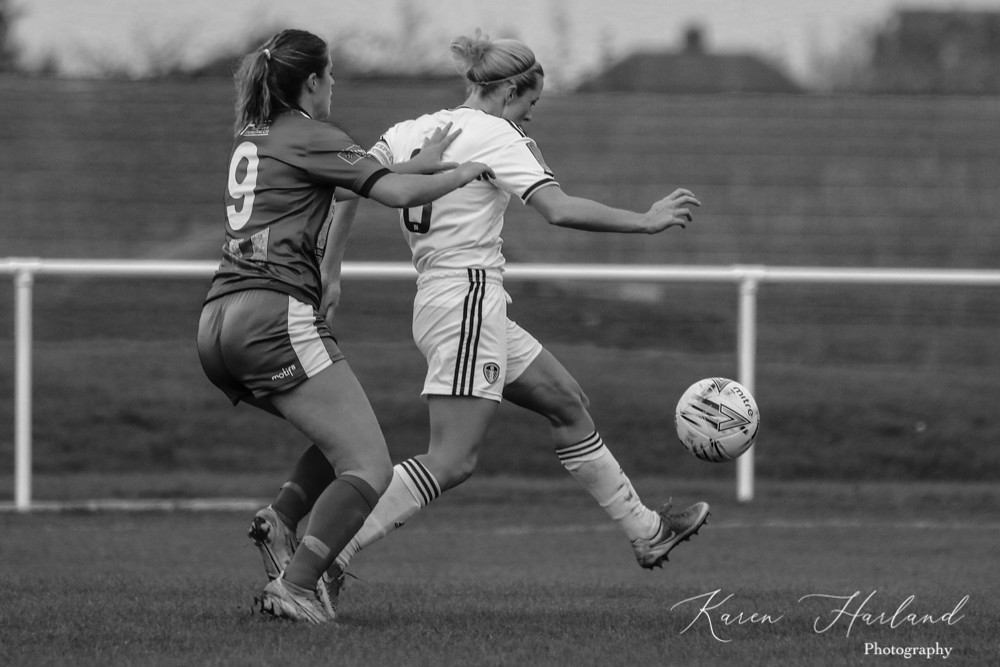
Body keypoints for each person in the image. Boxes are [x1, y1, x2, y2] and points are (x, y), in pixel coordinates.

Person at [257, 29, 709, 614]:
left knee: (566, 401)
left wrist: (332, 272)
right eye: (531, 105)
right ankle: (321, 565)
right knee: (451, 458)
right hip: (468, 300)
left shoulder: (410, 130)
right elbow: (559, 209)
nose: (529, 118)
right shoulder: (498, 136)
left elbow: (347, 194)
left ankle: (647, 532)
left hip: (450, 302)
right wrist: (645, 221)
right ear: (512, 92)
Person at [195, 28, 493, 625]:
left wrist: (417, 164)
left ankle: (282, 517)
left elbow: (367, 176)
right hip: (271, 316)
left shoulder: (255, 134)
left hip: (216, 321)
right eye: (330, 77)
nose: (335, 86)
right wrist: (466, 173)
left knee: (342, 440)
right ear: (311, 82)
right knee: (370, 468)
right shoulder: (311, 133)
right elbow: (396, 190)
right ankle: (298, 585)